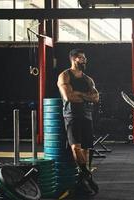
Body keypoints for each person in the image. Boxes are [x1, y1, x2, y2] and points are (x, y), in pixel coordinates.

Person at [57, 49, 99, 194]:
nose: (85, 60)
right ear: (74, 59)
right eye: (82, 58)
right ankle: (87, 175)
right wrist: (85, 96)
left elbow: (96, 97)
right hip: (71, 115)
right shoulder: (65, 76)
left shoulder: (88, 79)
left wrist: (79, 94)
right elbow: (68, 97)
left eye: (85, 57)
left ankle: (83, 179)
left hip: (87, 115)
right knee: (76, 147)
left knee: (87, 147)